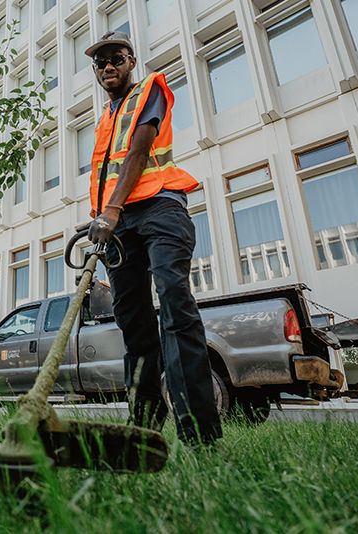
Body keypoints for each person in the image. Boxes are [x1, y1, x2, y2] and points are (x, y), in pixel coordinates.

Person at [83, 31, 222, 445]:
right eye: (101, 62)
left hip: (160, 210)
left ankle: (200, 434)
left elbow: (141, 154)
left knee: (176, 308)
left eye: (117, 59)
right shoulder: (105, 120)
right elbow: (111, 176)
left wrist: (110, 210)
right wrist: (99, 216)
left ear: (131, 62)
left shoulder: (150, 89)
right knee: (133, 323)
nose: (108, 66)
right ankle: (143, 427)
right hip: (121, 223)